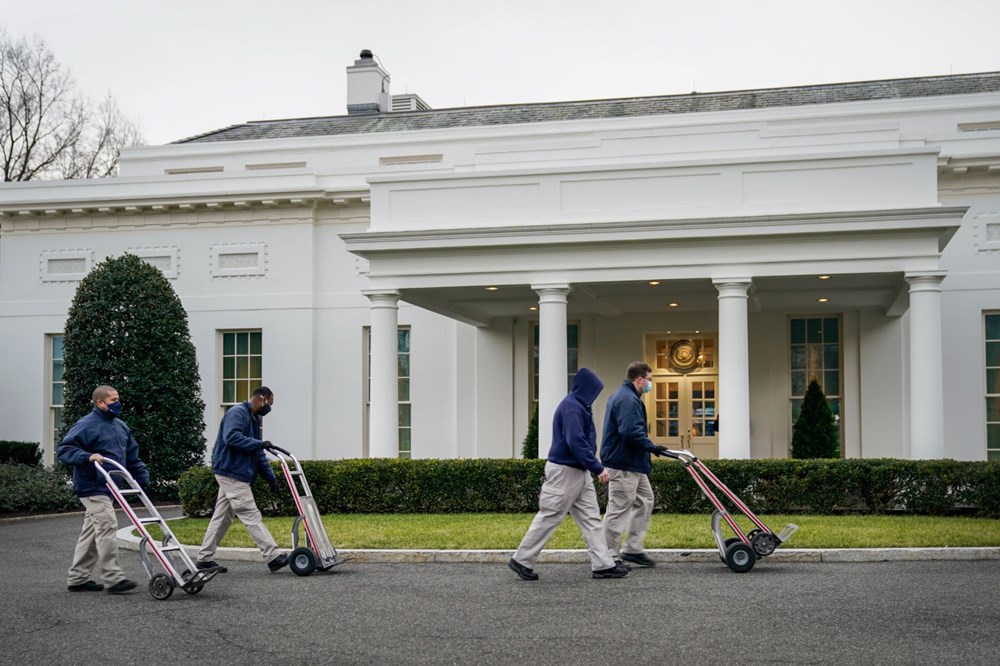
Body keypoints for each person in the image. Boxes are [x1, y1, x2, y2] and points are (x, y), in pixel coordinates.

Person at [509, 368, 629, 581]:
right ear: (586, 389)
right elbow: (576, 442)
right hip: (565, 471)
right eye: (594, 390)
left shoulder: (578, 405)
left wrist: (591, 467)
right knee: (551, 515)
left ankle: (603, 564)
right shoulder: (573, 408)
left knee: (591, 517)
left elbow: (578, 443)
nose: (595, 395)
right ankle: (521, 559)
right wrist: (597, 468)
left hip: (576, 471)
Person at [57, 385, 149, 594]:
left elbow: (132, 456)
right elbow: (64, 449)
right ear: (100, 402)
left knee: (92, 531)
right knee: (107, 524)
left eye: (118, 398)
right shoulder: (87, 425)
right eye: (113, 400)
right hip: (92, 485)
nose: (118, 403)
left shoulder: (121, 426)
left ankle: (78, 578)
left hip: (110, 486)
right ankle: (113, 578)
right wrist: (87, 456)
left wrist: (142, 479)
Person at [196, 386, 289, 573]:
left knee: (222, 517)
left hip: (234, 472)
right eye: (269, 403)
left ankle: (204, 559)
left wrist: (271, 478)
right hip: (231, 471)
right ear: (261, 398)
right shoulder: (237, 413)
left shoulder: (255, 420)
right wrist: (259, 443)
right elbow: (231, 437)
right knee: (249, 512)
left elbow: (258, 452)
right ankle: (273, 556)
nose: (269, 408)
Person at [601, 362, 668, 568]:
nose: (650, 383)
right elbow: (630, 432)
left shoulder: (629, 397)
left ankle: (633, 548)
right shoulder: (627, 399)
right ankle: (608, 557)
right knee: (619, 508)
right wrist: (652, 447)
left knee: (645, 500)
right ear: (640, 379)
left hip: (633, 463)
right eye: (650, 379)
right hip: (623, 463)